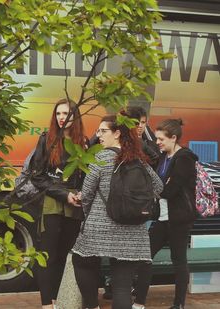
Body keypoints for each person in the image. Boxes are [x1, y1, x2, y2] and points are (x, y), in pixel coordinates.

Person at [72, 113, 153, 309]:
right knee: (122, 286)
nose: (98, 134)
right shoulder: (138, 160)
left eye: (103, 130)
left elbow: (88, 192)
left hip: (100, 228)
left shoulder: (101, 157)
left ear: (117, 133)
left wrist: (87, 212)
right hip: (133, 230)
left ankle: (92, 306)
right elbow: (157, 187)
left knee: (80, 260)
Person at [133, 118, 198, 309]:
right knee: (145, 256)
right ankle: (139, 299)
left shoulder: (185, 157)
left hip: (179, 218)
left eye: (161, 139)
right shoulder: (163, 157)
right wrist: (161, 186)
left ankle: (178, 304)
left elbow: (171, 190)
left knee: (178, 261)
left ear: (174, 138)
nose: (158, 142)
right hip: (162, 217)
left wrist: (159, 187)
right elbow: (161, 185)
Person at [29, 98, 87, 309]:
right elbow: (37, 176)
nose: (62, 118)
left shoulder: (84, 142)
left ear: (75, 116)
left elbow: (87, 175)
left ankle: (60, 299)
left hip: (74, 206)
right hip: (52, 203)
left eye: (66, 114)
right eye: (59, 114)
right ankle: (47, 303)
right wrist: (64, 195)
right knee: (48, 255)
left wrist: (81, 193)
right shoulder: (47, 139)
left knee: (65, 255)